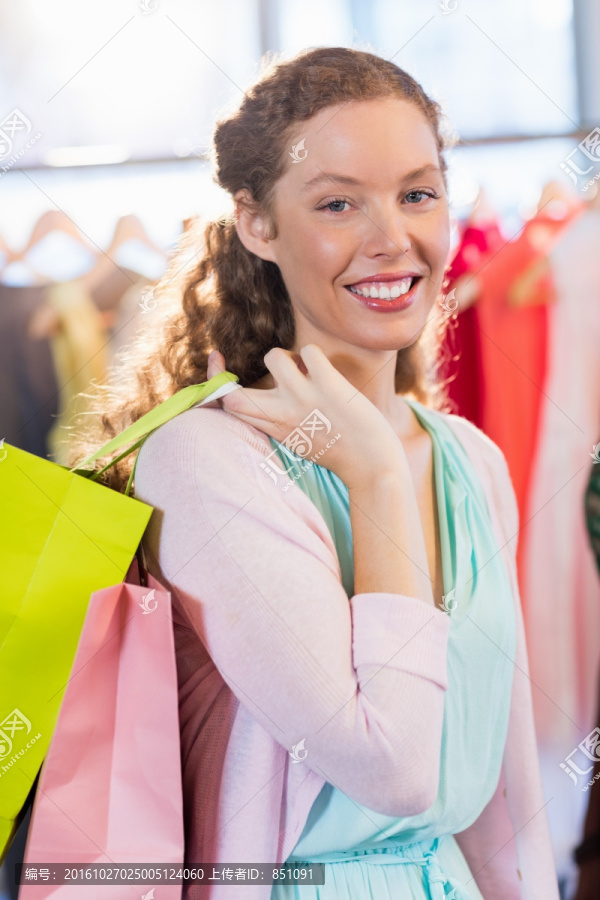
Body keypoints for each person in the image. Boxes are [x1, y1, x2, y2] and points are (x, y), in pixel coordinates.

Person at [67, 47, 559, 899]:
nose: (392, 240)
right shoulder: (205, 462)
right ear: (258, 224)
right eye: (338, 203)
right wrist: (370, 474)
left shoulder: (470, 463)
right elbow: (394, 766)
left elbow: (501, 805)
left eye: (417, 193)